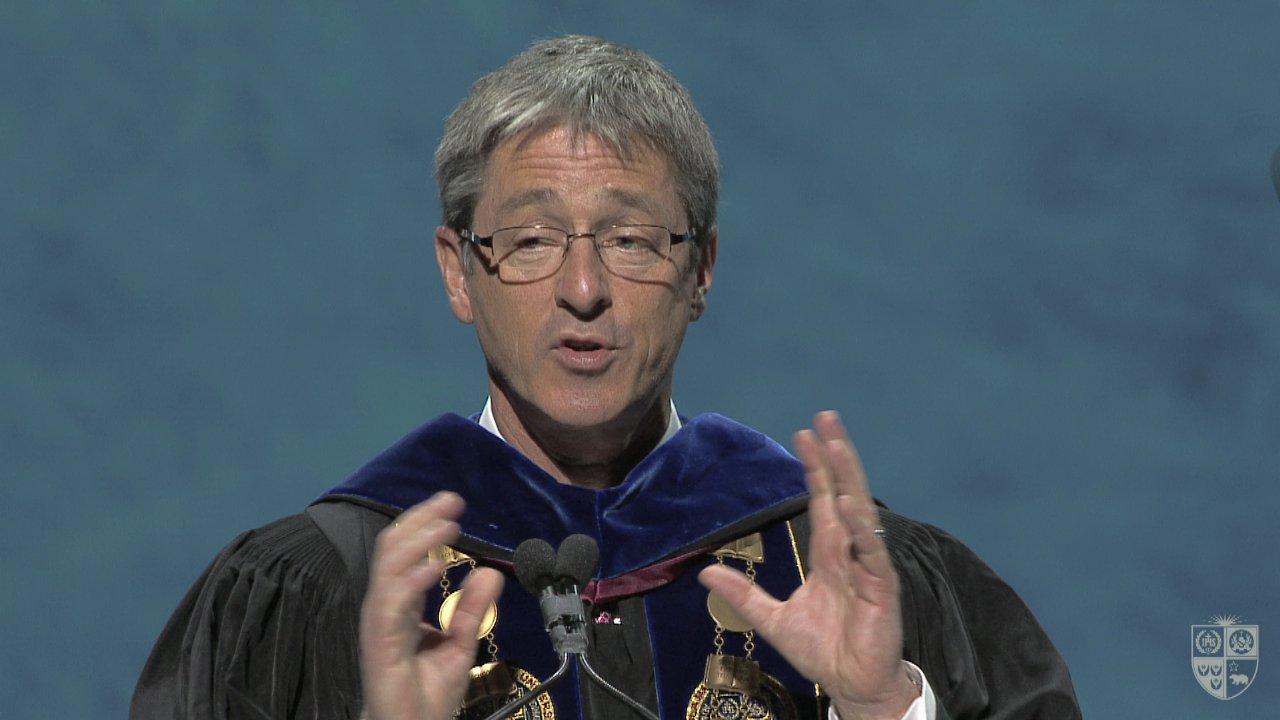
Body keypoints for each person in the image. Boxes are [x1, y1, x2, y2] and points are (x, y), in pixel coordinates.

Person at [131, 36, 1080, 720]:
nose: (583, 290)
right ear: (459, 271)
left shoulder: (851, 578)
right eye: (534, 240)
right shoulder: (322, 589)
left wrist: (880, 707)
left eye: (630, 240)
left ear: (701, 270)